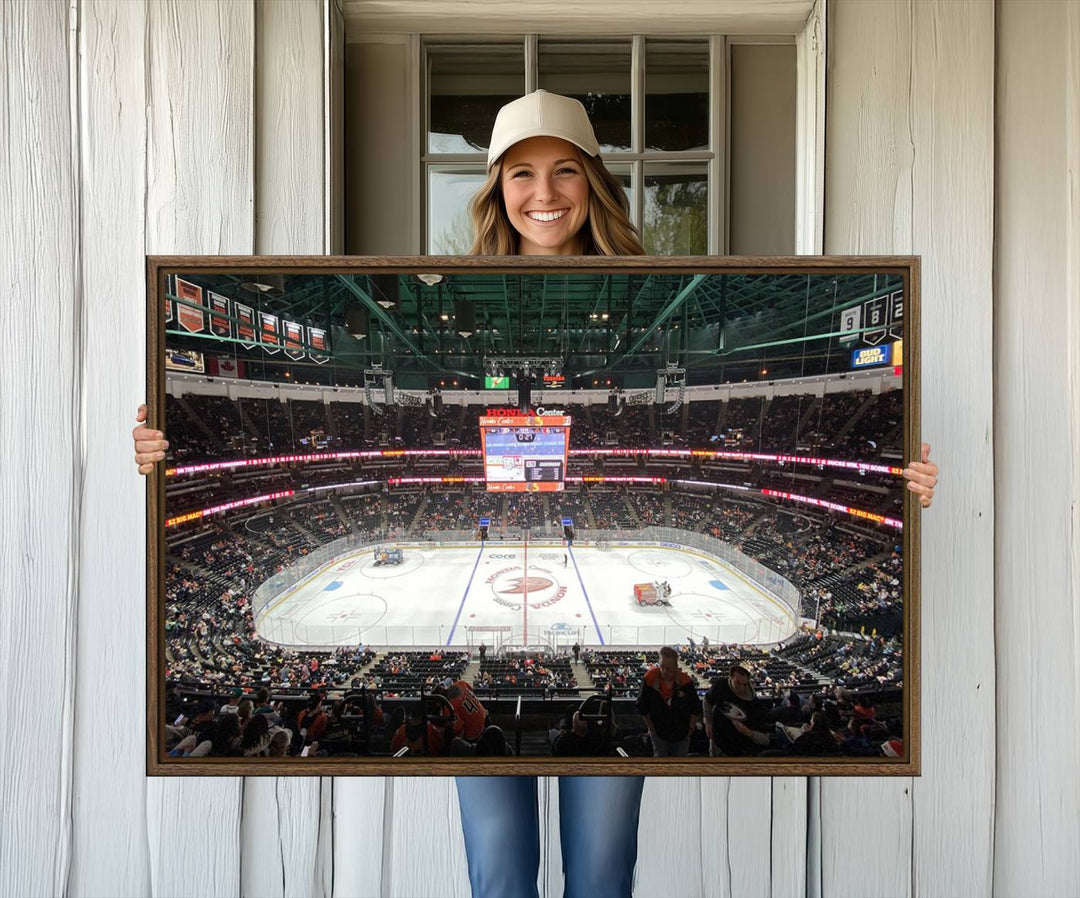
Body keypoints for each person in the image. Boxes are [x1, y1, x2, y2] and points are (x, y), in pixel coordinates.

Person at [132, 88, 940, 898]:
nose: (544, 193)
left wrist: (907, 480)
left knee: (599, 877)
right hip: (491, 705)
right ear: (496, 188)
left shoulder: (660, 288)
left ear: (593, 180)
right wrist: (162, 442)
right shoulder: (437, 288)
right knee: (500, 877)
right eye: (521, 173)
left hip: (612, 699)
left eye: (563, 171)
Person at [636, 646, 701, 757]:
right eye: (662, 666)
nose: (665, 671)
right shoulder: (650, 679)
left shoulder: (685, 682)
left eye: (669, 668)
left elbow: (695, 707)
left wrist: (690, 729)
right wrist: (652, 730)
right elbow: (642, 706)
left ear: (676, 666)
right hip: (659, 734)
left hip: (682, 735)